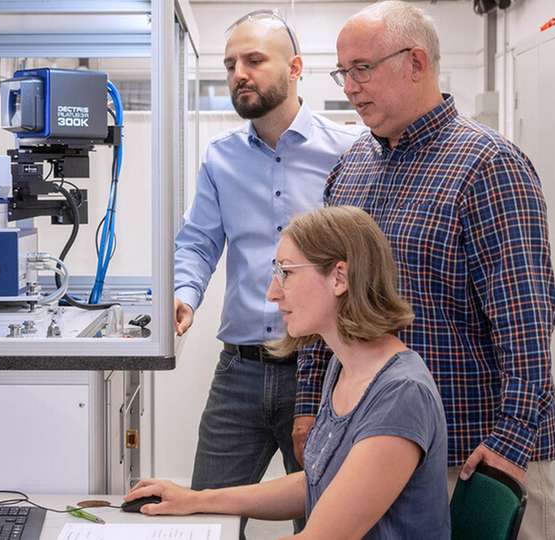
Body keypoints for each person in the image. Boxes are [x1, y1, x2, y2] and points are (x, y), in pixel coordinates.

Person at [296, 3, 555, 539]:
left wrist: (508, 449)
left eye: (362, 69)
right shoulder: (350, 170)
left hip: (472, 459)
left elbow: (527, 325)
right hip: (375, 453)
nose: (349, 86)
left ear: (416, 62)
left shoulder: (489, 166)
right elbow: (329, 302)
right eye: (342, 72)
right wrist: (309, 405)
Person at [131, 206, 450, 540]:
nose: (272, 292)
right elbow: (311, 482)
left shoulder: (400, 395)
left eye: (286, 272)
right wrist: (196, 500)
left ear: (339, 278)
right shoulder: (345, 367)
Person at [173, 9, 360, 537]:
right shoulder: (220, 159)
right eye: (230, 64)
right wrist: (182, 294)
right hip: (241, 373)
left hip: (324, 370)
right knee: (203, 515)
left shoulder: (348, 152)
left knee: (325, 519)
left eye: (254, 60)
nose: (239, 74)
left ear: (295, 67)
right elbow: (199, 241)